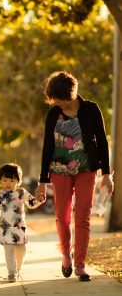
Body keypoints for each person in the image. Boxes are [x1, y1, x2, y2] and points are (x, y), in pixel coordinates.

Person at [35, 71, 113, 282]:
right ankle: (65, 255)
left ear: (71, 93)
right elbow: (47, 147)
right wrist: (43, 181)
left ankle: (79, 264)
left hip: (87, 169)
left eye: (61, 100)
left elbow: (102, 143)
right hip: (59, 171)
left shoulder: (91, 109)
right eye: (55, 101)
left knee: (83, 216)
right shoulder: (53, 114)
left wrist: (106, 173)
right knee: (62, 215)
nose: (58, 104)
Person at [0, 163, 43, 282]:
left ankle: (18, 268)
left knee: (21, 249)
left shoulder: (21, 193)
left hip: (19, 228)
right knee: (9, 251)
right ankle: (11, 273)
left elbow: (31, 203)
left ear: (18, 181)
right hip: (6, 228)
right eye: (4, 180)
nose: (8, 183)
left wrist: (39, 201)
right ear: (0, 181)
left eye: (12, 180)